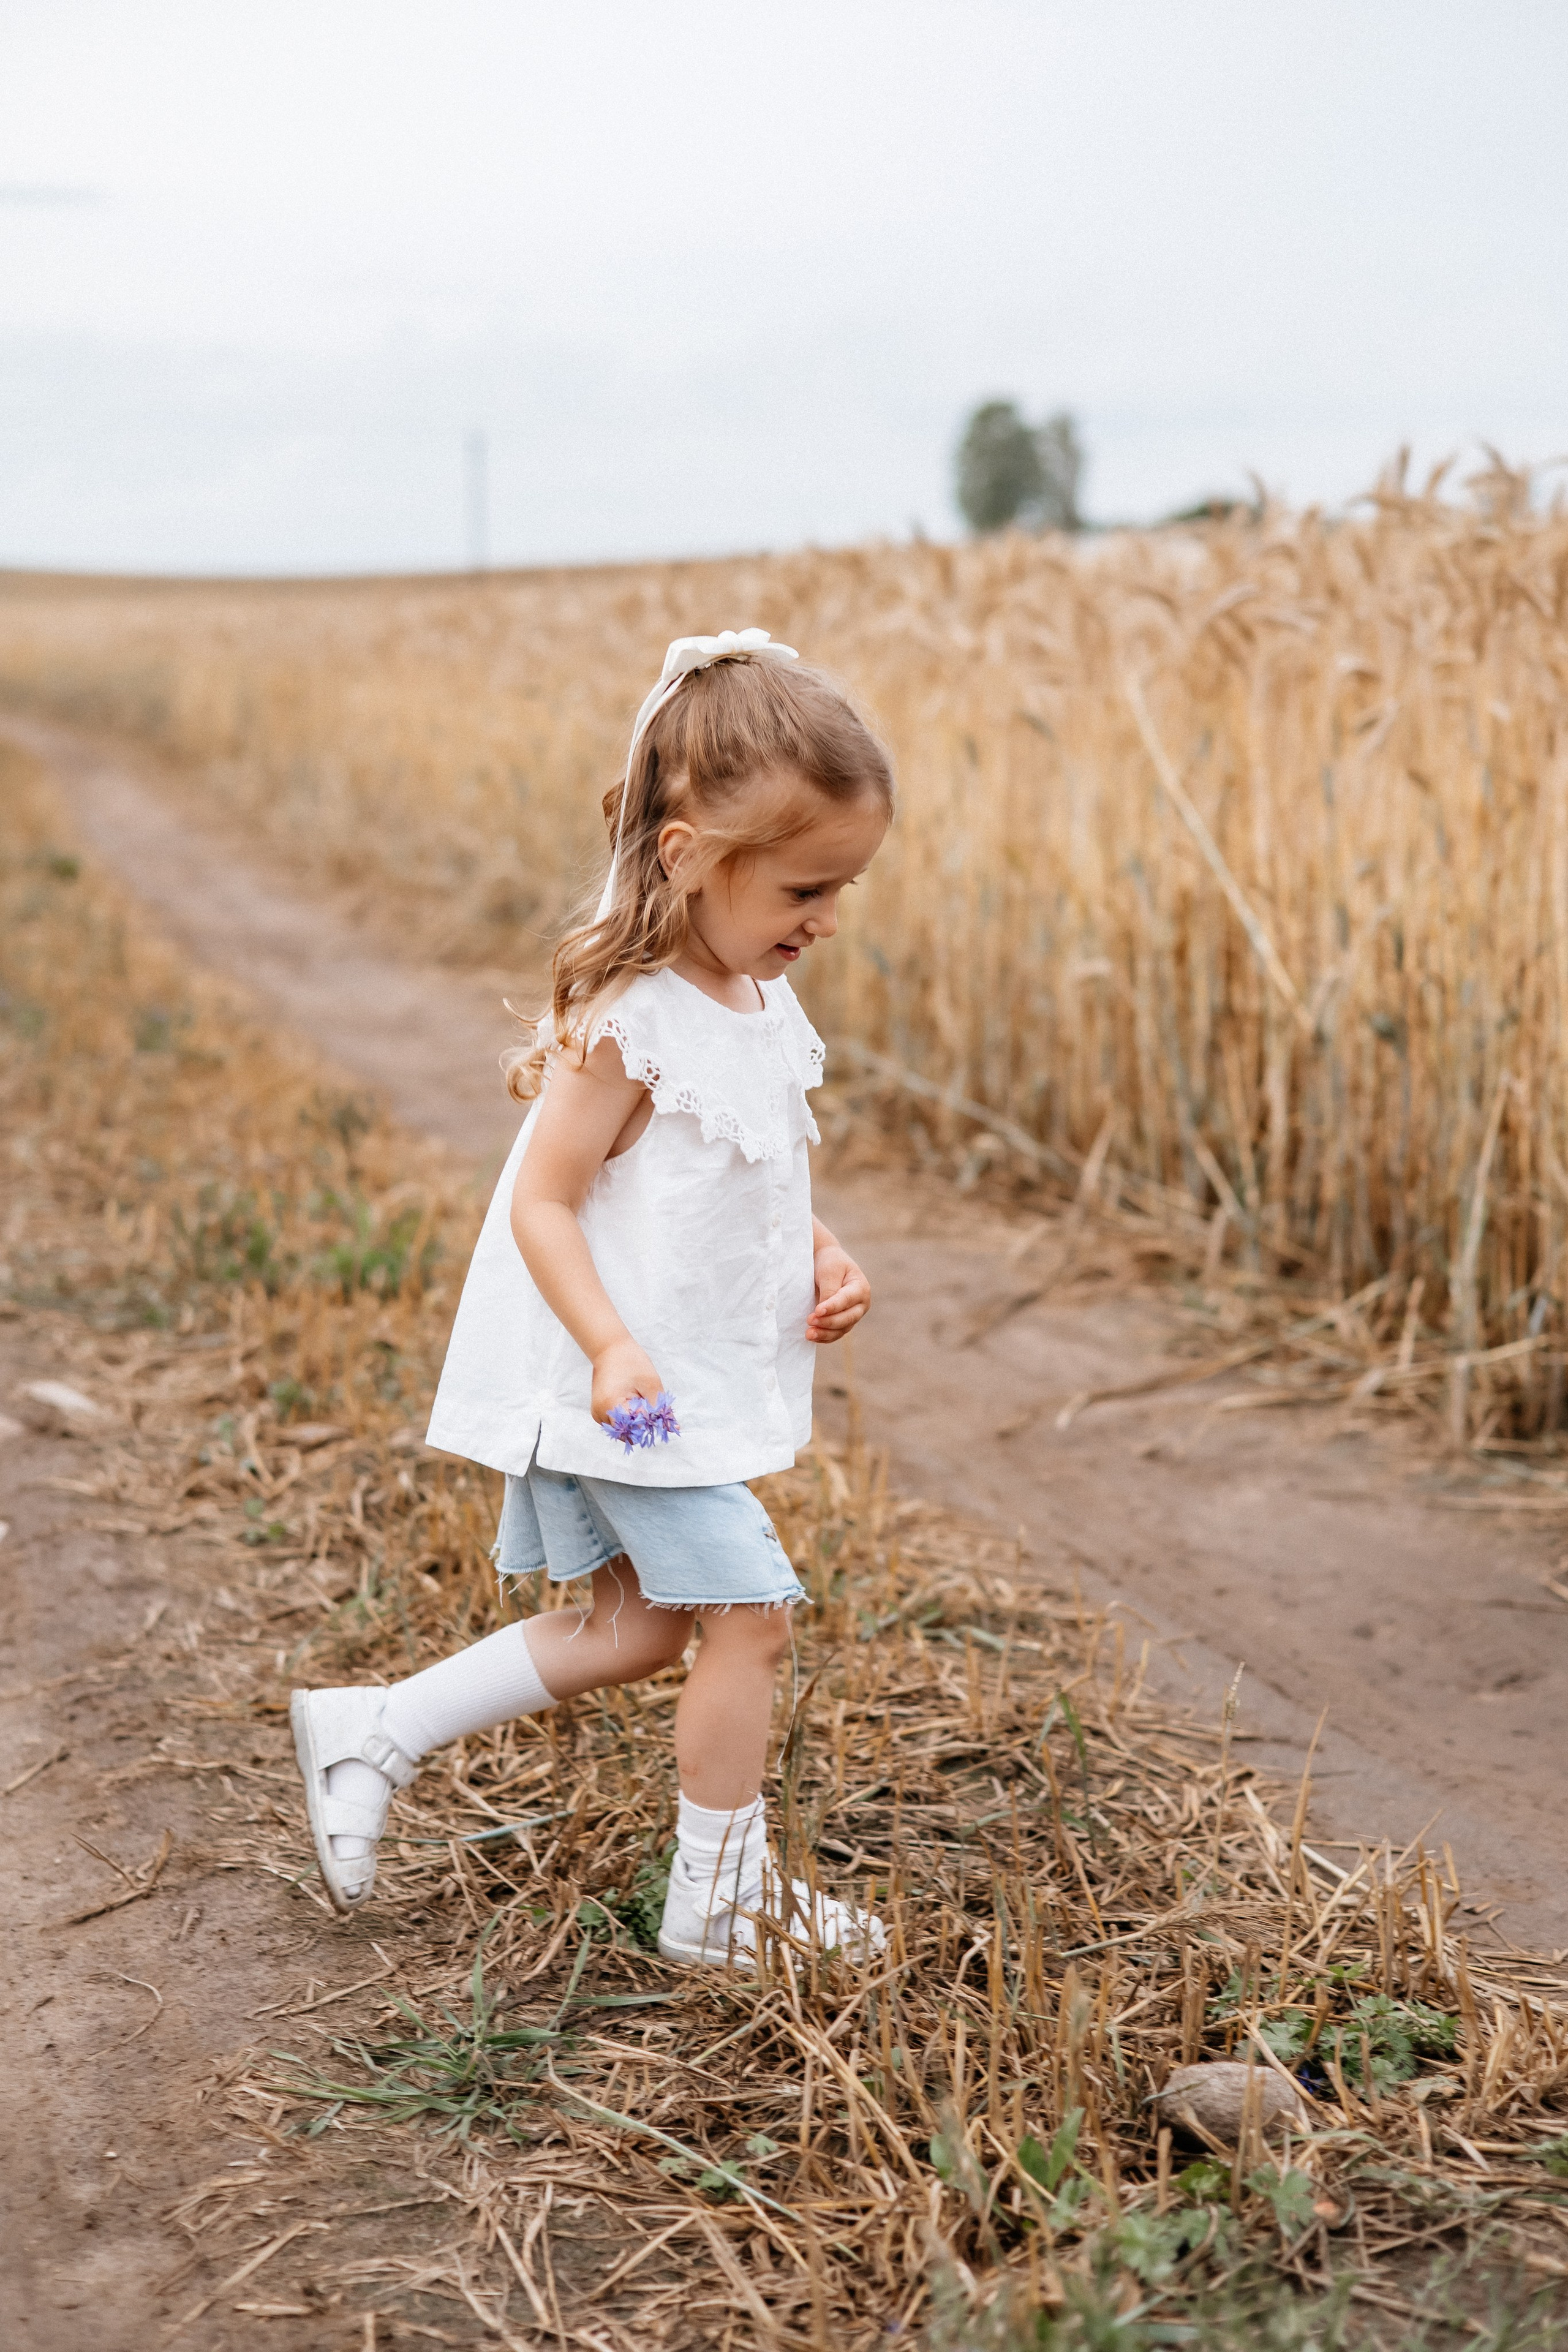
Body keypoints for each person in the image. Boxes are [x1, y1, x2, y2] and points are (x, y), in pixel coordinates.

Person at [290, 629, 895, 1966]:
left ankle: (373, 1729)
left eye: (843, 887)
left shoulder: (753, 999)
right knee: (750, 1618)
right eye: (804, 886)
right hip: (628, 1390)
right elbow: (544, 1201)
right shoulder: (629, 1020)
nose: (825, 918)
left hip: (666, 1377)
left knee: (635, 1631)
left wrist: (818, 1251)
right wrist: (611, 1347)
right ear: (688, 854)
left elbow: (738, 1172)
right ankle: (719, 1900)